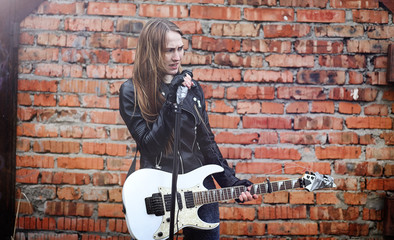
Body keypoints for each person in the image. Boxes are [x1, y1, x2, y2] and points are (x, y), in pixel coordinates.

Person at [119, 18, 257, 240]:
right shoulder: (131, 91)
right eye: (169, 51)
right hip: (157, 192)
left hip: (200, 191)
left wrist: (231, 183)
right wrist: (171, 101)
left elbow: (206, 142)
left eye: (180, 49)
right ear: (152, 52)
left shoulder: (192, 89)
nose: (177, 57)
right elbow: (149, 145)